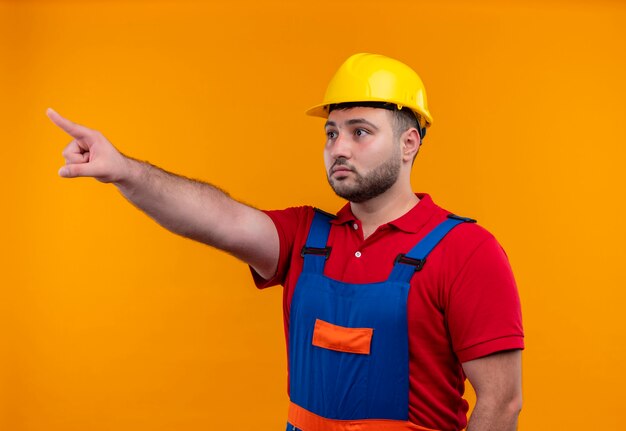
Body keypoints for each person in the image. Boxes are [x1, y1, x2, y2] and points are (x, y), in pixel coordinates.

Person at [49, 53, 524, 431]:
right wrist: (124, 171)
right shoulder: (305, 238)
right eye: (331, 133)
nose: (339, 147)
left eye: (361, 132)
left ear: (409, 144)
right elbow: (214, 218)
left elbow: (502, 404)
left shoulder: (465, 251)